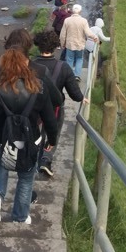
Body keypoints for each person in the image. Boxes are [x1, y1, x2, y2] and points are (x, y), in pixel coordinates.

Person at [0, 48, 57, 224]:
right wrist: (52, 141)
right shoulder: (38, 87)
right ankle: (20, 217)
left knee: (0, 164)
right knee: (26, 177)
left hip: (0, 140)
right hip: (30, 142)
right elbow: (50, 119)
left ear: (3, 66)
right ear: (26, 65)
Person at [32, 29, 86, 177]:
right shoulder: (63, 67)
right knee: (52, 133)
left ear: (38, 46)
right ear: (56, 46)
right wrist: (82, 98)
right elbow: (74, 94)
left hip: (32, 107)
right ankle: (46, 160)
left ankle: (32, 159)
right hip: (54, 108)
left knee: (34, 134)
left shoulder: (30, 65)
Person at [59, 4, 98, 80]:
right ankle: (77, 75)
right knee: (79, 59)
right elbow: (88, 32)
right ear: (80, 11)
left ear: (72, 11)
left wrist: (62, 43)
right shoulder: (83, 21)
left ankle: (69, 76)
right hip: (80, 45)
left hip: (69, 44)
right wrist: (94, 37)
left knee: (69, 59)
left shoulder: (67, 20)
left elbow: (62, 34)